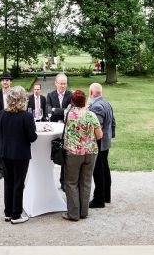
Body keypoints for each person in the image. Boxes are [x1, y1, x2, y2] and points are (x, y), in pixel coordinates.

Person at [0, 86, 37, 224]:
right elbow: (32, 137)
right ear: (22, 99)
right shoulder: (26, 116)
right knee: (19, 184)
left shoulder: (2, 114)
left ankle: (8, 213)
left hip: (5, 153)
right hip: (20, 154)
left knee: (8, 183)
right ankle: (16, 215)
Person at [62, 90, 102, 221]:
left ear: (72, 102)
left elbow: (67, 112)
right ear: (85, 101)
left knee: (71, 182)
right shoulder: (91, 115)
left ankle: (73, 214)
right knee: (86, 182)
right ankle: (83, 212)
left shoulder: (69, 114)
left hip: (74, 153)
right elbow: (99, 135)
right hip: (91, 152)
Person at [88, 82, 115, 208]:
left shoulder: (96, 107)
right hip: (106, 143)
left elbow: (96, 128)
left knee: (98, 171)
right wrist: (110, 138)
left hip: (99, 144)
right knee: (105, 169)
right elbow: (113, 123)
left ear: (91, 93)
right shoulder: (107, 103)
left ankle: (99, 200)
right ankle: (106, 196)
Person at [47, 73, 72, 187]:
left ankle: (63, 182)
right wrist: (62, 111)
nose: (63, 86)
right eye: (61, 83)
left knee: (65, 156)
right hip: (54, 129)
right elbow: (48, 111)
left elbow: (71, 112)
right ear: (56, 83)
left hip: (67, 130)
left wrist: (55, 110)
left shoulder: (70, 95)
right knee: (51, 154)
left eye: (65, 84)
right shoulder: (50, 95)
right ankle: (48, 183)